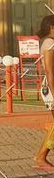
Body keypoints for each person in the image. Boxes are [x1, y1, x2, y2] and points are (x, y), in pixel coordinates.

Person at [35, 15, 54, 169]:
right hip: (52, 87)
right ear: (52, 27)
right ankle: (41, 157)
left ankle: (41, 157)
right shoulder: (50, 43)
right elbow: (49, 71)